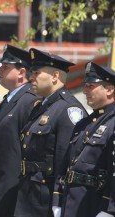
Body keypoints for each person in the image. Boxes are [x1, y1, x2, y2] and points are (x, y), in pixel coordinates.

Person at [14, 48, 87, 217]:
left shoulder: (69, 109)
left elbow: (67, 161)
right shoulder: (43, 106)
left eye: (37, 73)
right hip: (28, 192)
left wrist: (59, 199)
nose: (31, 77)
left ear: (55, 76)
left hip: (45, 198)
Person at [0, 45, 40, 217]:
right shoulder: (9, 99)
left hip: (13, 196)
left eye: (6, 67)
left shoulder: (30, 101)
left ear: (22, 72)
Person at [52, 62, 115, 217]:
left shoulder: (112, 122)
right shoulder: (84, 123)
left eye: (90, 86)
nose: (85, 91)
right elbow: (66, 164)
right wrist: (57, 199)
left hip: (95, 205)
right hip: (72, 203)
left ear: (109, 89)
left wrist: (109, 209)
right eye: (85, 85)